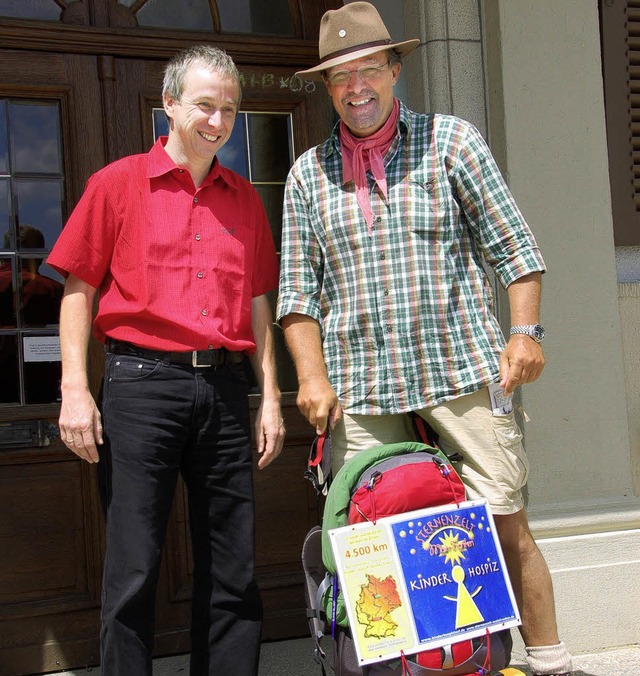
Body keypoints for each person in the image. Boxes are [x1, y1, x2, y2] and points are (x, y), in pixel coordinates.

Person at [277, 4, 572, 676]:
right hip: (362, 385)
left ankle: (551, 662)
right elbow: (297, 296)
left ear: (395, 69)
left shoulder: (452, 142)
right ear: (326, 88)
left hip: (462, 370)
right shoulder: (305, 177)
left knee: (503, 521)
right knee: (367, 542)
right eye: (340, 76)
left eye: (369, 70)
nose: (357, 87)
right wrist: (312, 377)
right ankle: (398, 669)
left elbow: (515, 247)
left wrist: (525, 331)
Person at [48, 45, 285, 676]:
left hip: (227, 392)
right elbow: (79, 287)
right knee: (133, 568)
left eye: (229, 109)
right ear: (170, 105)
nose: (218, 121)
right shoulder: (117, 185)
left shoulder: (244, 199)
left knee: (233, 568)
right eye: (205, 104)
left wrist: (269, 395)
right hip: (140, 387)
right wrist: (76, 387)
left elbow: (260, 303)